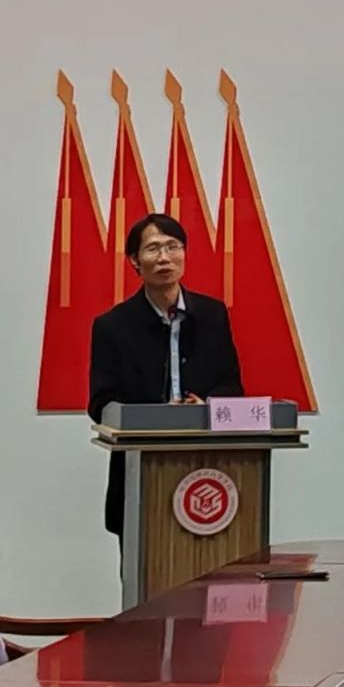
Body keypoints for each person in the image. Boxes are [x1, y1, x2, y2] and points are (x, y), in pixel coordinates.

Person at [89, 214, 244, 537]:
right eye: (153, 248)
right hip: (140, 468)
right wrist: (155, 417)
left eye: (173, 247)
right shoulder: (112, 326)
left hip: (208, 464)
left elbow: (231, 385)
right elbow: (101, 401)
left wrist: (205, 406)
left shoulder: (213, 315)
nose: (164, 257)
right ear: (135, 260)